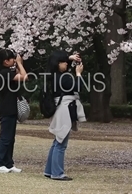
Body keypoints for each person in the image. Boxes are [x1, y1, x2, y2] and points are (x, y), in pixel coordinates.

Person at [43, 50, 87, 181]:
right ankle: (57, 173)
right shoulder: (65, 77)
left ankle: (49, 170)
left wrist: (69, 58)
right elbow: (78, 87)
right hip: (65, 109)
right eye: (63, 62)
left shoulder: (54, 75)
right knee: (61, 143)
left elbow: (57, 61)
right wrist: (78, 74)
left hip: (61, 107)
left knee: (57, 140)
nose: (66, 64)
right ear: (58, 63)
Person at [0, 49, 28, 173]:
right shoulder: (5, 73)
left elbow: (18, 73)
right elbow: (24, 77)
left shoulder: (6, 72)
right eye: (11, 58)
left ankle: (8, 163)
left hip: (10, 108)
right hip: (7, 108)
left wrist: (19, 63)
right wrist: (20, 64)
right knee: (5, 137)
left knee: (10, 138)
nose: (14, 60)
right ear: (5, 62)